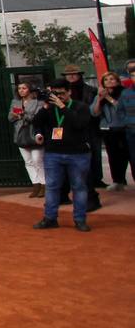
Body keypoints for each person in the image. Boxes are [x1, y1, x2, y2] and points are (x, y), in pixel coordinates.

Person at [32, 79, 92, 232]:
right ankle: (50, 218)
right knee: (52, 186)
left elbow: (79, 124)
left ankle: (80, 220)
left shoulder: (81, 107)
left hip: (78, 154)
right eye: (55, 93)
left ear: (69, 92)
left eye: (62, 93)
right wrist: (44, 109)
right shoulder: (49, 108)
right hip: (53, 153)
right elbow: (36, 122)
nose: (58, 96)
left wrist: (62, 106)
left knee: (79, 187)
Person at [60, 64, 103, 205]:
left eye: (75, 73)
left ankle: (92, 191)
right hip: (67, 130)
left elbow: (95, 112)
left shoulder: (91, 91)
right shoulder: (60, 93)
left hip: (88, 128)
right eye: (69, 74)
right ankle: (66, 194)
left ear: (80, 75)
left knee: (89, 160)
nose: (72, 76)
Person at [9, 82, 46, 197]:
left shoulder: (38, 103)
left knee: (37, 160)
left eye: (24, 88)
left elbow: (37, 118)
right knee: (28, 162)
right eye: (19, 88)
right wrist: (16, 115)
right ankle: (35, 185)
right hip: (20, 133)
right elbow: (10, 117)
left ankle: (44, 184)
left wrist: (23, 115)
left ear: (30, 89)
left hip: (34, 133)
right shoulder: (15, 102)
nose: (21, 90)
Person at [92, 72, 128, 190]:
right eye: (106, 80)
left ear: (117, 81)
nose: (109, 81)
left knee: (128, 155)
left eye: (112, 79)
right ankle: (118, 180)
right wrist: (99, 99)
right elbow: (94, 113)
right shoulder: (99, 96)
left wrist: (108, 98)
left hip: (124, 128)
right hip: (108, 129)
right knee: (113, 156)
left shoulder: (124, 93)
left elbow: (122, 109)